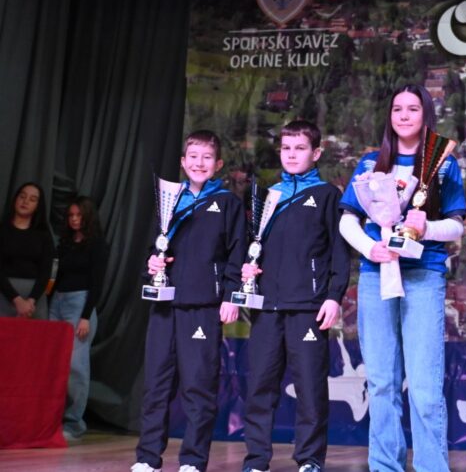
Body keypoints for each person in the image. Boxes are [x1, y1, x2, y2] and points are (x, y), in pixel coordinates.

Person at [339, 84, 466, 472]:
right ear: (390, 116)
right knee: (381, 382)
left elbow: (457, 226)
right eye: (398, 109)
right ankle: (384, 466)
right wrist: (369, 249)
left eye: (413, 108)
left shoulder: (444, 164)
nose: (404, 115)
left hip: (423, 276)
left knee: (425, 387)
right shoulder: (370, 164)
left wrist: (426, 228)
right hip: (376, 275)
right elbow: (347, 221)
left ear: (426, 115)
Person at [132, 131, 247, 472]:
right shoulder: (170, 200)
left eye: (207, 157)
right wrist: (152, 265)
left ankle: (193, 461)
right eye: (193, 156)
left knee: (199, 387)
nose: (199, 163)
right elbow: (154, 249)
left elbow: (237, 254)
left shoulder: (228, 203)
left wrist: (230, 296)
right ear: (183, 162)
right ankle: (147, 458)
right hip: (164, 305)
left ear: (218, 164)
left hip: (203, 306)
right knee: (156, 386)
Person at [240, 120, 349, 472]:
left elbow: (339, 252)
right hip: (266, 307)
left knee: (310, 389)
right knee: (260, 387)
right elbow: (252, 248)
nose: (291, 154)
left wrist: (333, 296)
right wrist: (247, 271)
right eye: (286, 148)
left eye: (300, 148)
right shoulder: (268, 196)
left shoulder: (328, 195)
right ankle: (256, 460)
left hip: (308, 307)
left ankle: (310, 460)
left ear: (316, 153)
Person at [48, 196, 108, 440]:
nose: (74, 220)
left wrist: (85, 316)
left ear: (87, 217)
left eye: (78, 215)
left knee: (76, 365)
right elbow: (56, 276)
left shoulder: (97, 245)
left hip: (79, 303)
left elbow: (97, 283)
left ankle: (74, 424)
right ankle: (51, 419)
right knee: (54, 363)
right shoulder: (66, 243)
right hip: (57, 301)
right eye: (71, 215)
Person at [0, 182, 54, 319]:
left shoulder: (44, 234)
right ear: (15, 199)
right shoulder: (2, 230)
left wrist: (31, 301)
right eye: (22, 196)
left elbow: (46, 271)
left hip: (34, 299)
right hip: (4, 294)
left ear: (38, 206)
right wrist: (17, 300)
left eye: (32, 199)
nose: (25, 201)